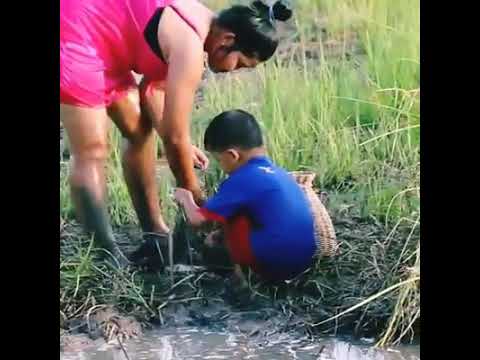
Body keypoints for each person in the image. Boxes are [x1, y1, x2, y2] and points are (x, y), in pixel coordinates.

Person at [60, 0, 293, 267]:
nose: (233, 71)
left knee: (139, 131)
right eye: (240, 63)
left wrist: (181, 141)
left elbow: (152, 92)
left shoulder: (204, 26)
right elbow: (174, 139)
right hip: (76, 30)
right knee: (91, 149)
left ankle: (155, 234)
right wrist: (193, 192)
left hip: (107, 43)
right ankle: (104, 254)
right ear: (227, 40)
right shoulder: (190, 47)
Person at [174, 110, 318, 286]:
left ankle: (242, 278)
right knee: (239, 215)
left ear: (232, 155)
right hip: (303, 262)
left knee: (227, 229)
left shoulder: (241, 179)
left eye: (219, 160)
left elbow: (197, 220)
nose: (221, 166)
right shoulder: (278, 173)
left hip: (275, 264)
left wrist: (185, 197)